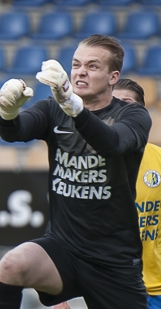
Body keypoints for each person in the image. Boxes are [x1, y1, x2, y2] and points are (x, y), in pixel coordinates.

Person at [0, 34, 151, 309]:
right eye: (76, 64)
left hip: (113, 260)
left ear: (113, 77)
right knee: (12, 265)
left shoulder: (133, 116)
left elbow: (111, 143)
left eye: (92, 66)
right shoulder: (53, 109)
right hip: (63, 247)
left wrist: (74, 107)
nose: (81, 72)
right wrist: (8, 113)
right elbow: (14, 133)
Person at [52, 78, 161, 309]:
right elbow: (61, 227)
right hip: (112, 288)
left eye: (126, 103)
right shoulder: (83, 163)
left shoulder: (159, 160)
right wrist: (58, 296)